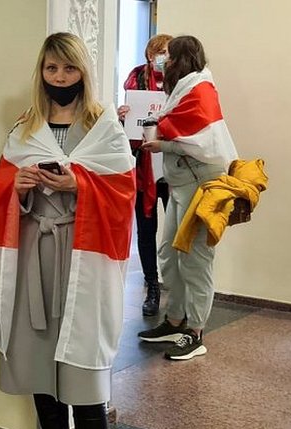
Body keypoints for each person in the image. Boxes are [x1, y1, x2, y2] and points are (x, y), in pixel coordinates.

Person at [0, 32, 135, 429]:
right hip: (36, 260)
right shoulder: (24, 128)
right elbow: (1, 186)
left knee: (85, 378)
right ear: (42, 73)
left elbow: (124, 191)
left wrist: (81, 186)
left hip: (84, 260)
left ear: (82, 73)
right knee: (41, 370)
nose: (60, 79)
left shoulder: (105, 128)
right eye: (51, 70)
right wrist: (19, 187)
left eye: (68, 70)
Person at [139, 36, 238, 359]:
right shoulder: (184, 87)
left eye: (168, 55)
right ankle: (174, 319)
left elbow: (201, 141)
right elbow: (177, 127)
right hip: (181, 183)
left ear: (181, 57)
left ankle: (195, 331)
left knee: (195, 259)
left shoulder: (201, 89)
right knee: (169, 253)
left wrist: (163, 143)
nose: (162, 61)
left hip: (201, 183)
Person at [116, 34, 172, 317]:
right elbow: (126, 128)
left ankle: (179, 290)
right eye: (158, 51)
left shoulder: (181, 83)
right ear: (149, 54)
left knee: (176, 231)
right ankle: (152, 286)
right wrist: (122, 116)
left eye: (167, 52)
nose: (163, 56)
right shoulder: (135, 81)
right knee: (146, 231)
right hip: (143, 169)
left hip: (172, 169)